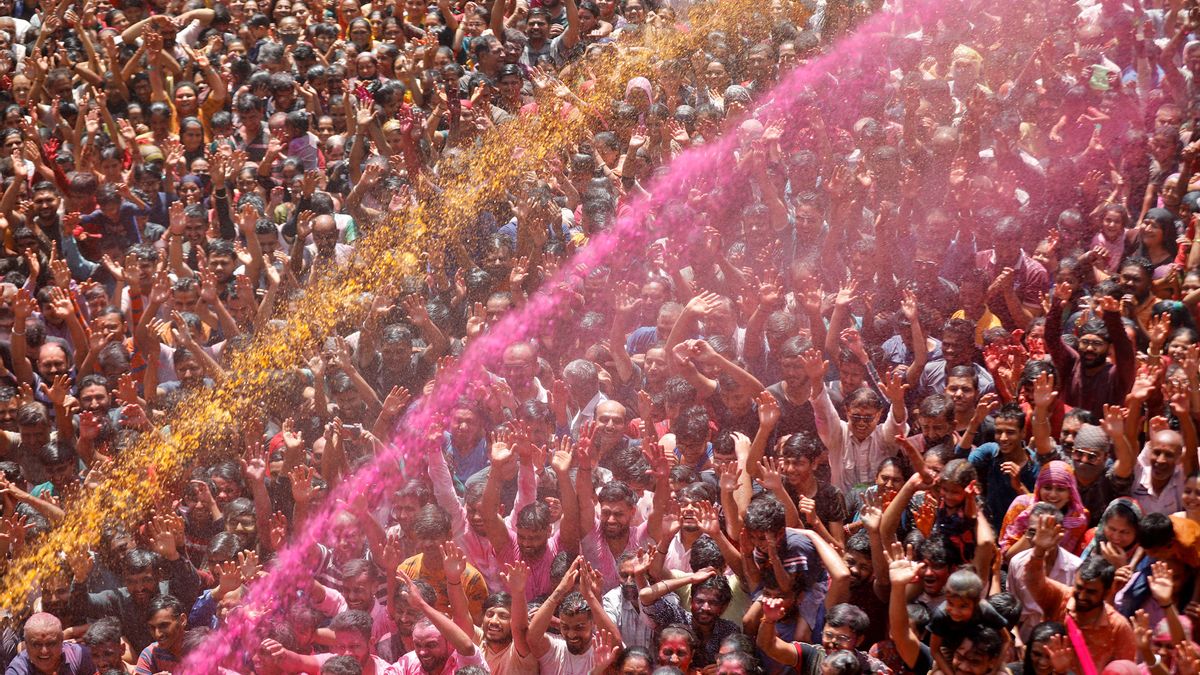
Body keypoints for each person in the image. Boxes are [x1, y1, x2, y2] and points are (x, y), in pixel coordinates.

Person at [1023, 514, 1136, 668]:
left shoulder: (1118, 627)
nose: (1082, 596)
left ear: (1107, 591)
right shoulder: (1059, 598)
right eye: (1079, 587)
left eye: (1091, 592)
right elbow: (1033, 581)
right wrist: (1039, 551)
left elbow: (1126, 669)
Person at [5, 613, 94, 675]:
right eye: (36, 644)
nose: (44, 651)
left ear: (61, 642)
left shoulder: (80, 656)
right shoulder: (18, 670)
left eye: (51, 644)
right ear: (26, 645)